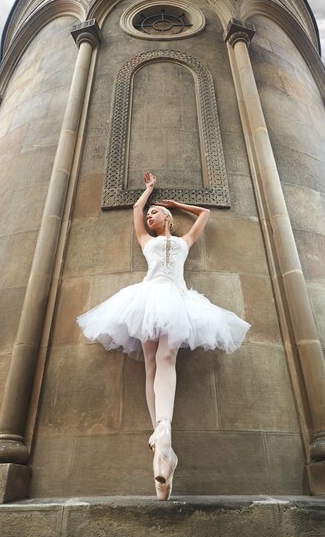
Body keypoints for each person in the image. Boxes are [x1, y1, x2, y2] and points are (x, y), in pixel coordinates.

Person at [77, 171, 250, 500]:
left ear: (168, 217)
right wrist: (148, 191)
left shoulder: (184, 242)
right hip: (148, 297)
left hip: (177, 297)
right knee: (152, 364)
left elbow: (206, 214)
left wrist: (175, 203)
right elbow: (134, 212)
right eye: (150, 213)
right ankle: (162, 441)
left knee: (166, 356)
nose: (150, 215)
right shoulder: (146, 241)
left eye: (155, 212)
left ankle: (164, 431)